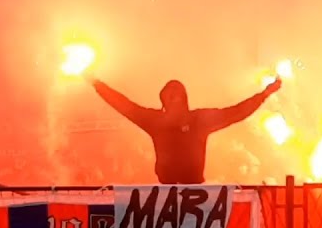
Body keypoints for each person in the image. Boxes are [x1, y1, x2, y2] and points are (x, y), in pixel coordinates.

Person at [86, 75, 281, 184]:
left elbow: (236, 112)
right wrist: (97, 84)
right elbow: (123, 105)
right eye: (171, 95)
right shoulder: (156, 121)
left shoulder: (199, 120)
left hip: (196, 194)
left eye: (179, 94)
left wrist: (263, 95)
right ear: (164, 102)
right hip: (166, 194)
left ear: (185, 99)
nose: (175, 98)